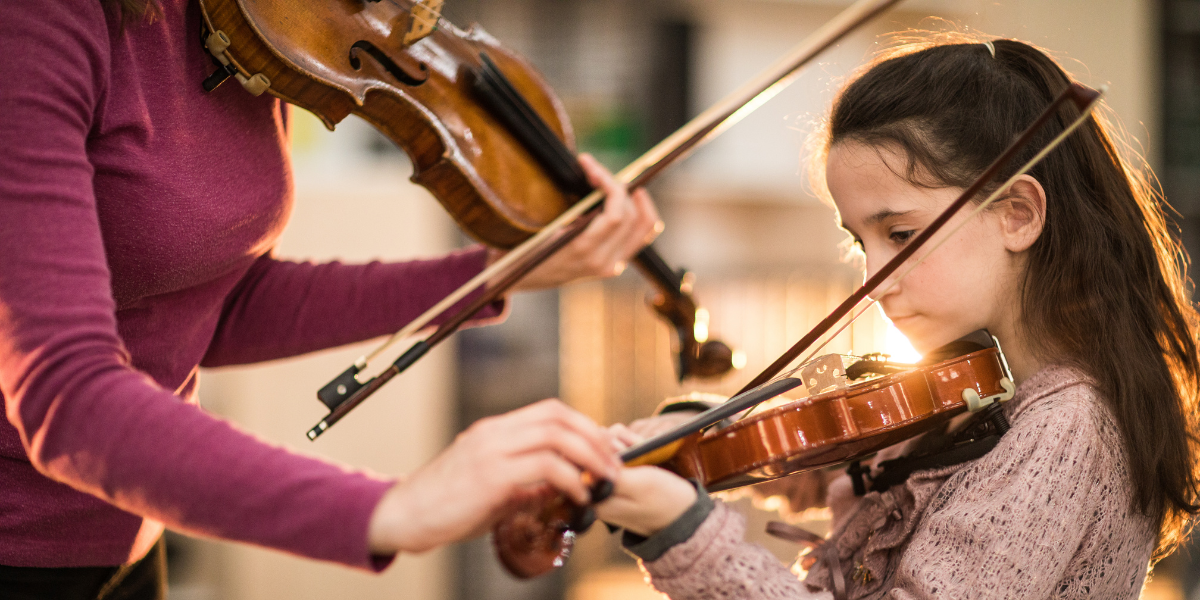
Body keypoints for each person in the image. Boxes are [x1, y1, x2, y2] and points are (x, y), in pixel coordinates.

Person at [0, 0, 655, 597]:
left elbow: (216, 304)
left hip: (132, 540)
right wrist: (392, 510)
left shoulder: (264, 21)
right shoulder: (37, 23)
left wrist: (494, 273)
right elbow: (64, 394)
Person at [595, 34, 1200, 599]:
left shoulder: (1067, 429)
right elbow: (854, 475)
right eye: (862, 243)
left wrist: (687, 535)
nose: (872, 282)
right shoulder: (976, 393)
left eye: (901, 233)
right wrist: (703, 438)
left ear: (1017, 213)